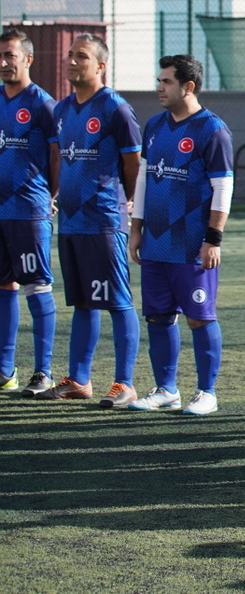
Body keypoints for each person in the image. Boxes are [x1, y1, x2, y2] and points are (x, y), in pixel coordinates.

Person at [38, 34, 142, 404]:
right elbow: (59, 160)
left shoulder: (116, 108)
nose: (71, 61)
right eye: (69, 55)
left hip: (104, 220)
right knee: (83, 301)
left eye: (80, 56)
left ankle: (124, 383)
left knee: (117, 300)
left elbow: (133, 164)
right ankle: (79, 381)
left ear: (100, 66)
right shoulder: (62, 109)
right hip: (70, 222)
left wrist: (129, 202)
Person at [126, 55, 233, 415]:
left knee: (199, 316)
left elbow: (223, 187)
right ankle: (166, 390)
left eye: (166, 81)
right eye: (159, 80)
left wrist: (213, 239)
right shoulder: (155, 125)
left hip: (192, 244)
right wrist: (136, 229)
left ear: (188, 87)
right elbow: (143, 180)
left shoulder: (212, 129)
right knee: (158, 316)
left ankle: (207, 392)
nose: (159, 87)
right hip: (156, 241)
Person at [0, 29, 58, 397]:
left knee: (37, 286)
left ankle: (43, 372)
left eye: (10, 55)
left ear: (28, 59)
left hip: (29, 211)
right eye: (0, 56)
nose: (4, 63)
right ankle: (5, 370)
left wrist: (50, 195)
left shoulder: (42, 104)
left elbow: (58, 155)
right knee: (3, 285)